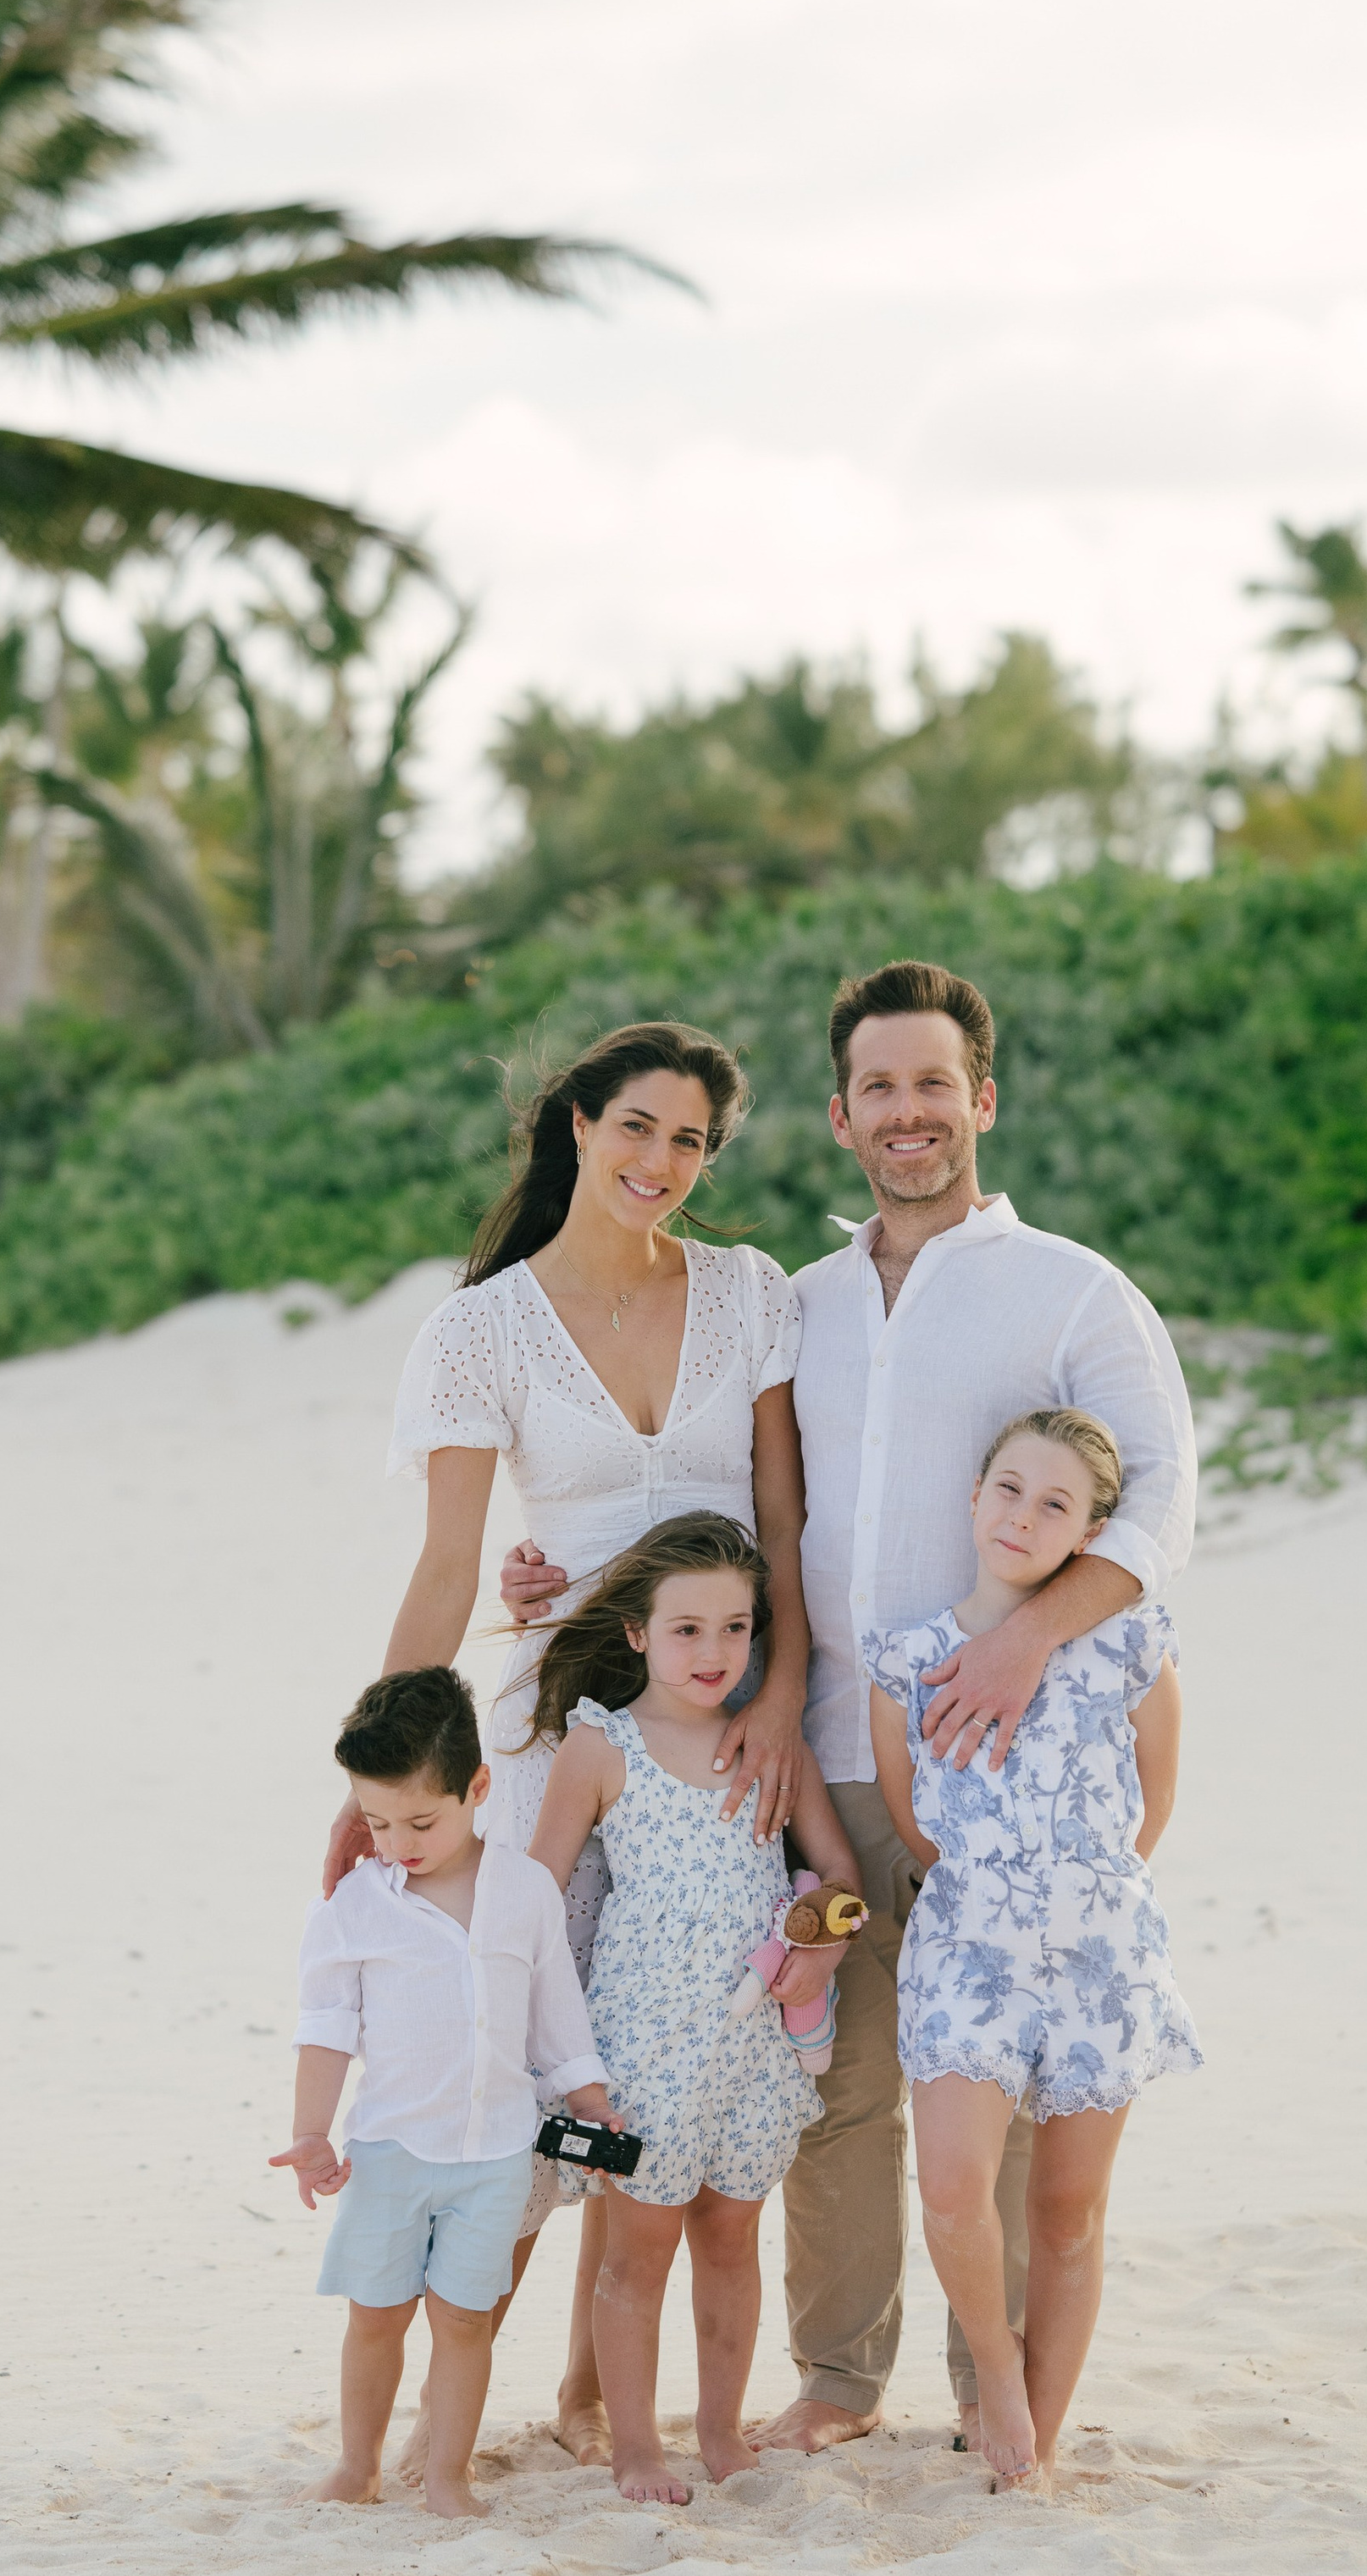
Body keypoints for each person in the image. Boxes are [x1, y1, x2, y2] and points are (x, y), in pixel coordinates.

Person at [502, 959, 1196, 2453]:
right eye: (878, 1087)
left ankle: (998, 2391)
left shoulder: (1074, 1289)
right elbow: (719, 1499)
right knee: (838, 2087)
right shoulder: (795, 1304)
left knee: (1004, 2098)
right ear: (839, 1115)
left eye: (934, 1083)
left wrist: (1023, 1645)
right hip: (819, 1747)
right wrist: (553, 1570)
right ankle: (837, 2377)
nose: (907, 1111)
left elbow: (1160, 1507)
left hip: (1006, 1774)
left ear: (982, 1099)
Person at [329, 1021, 810, 2469]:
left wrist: (780, 1696)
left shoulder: (751, 1292)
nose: (661, 1161)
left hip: (718, 1724)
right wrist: (383, 1770)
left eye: (692, 1139)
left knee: (668, 2049)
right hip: (558, 1736)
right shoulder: (481, 1329)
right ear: (580, 1124)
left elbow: (784, 1526)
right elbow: (448, 1566)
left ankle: (597, 2395)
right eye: (637, 1127)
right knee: (526, 2048)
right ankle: (446, 2411)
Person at [866, 1407, 1199, 2486]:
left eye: (1055, 1503)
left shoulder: (1131, 1641)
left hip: (1103, 1954)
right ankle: (996, 2375)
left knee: (1065, 2209)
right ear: (974, 1497)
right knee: (952, 2187)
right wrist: (999, 1891)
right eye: (1008, 1488)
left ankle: (1035, 2445)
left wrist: (1082, 1889)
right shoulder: (908, 1661)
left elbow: (1155, 1795)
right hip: (968, 1949)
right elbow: (914, 1820)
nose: (1022, 1515)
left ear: (1092, 1532)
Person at [527, 1516, 862, 2505]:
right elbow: (538, 1902)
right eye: (686, 1629)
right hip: (641, 2054)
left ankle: (719, 2430)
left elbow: (839, 1876)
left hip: (752, 2051)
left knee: (730, 2240)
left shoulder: (768, 1743)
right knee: (636, 2255)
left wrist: (824, 1934)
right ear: (636, 1632)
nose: (714, 1651)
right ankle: (635, 2446)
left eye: (735, 1627)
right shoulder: (601, 1745)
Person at [274, 1665, 623, 2518]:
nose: (398, 1841)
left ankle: (446, 2476)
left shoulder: (525, 1890)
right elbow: (326, 2027)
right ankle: (357, 2465)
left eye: (421, 1820)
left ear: (478, 1788)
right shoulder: (356, 1905)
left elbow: (556, 2013)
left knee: (465, 2320)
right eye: (377, 1821)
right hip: (390, 2152)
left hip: (494, 2154)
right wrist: (312, 2132)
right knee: (375, 2315)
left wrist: (589, 2099)